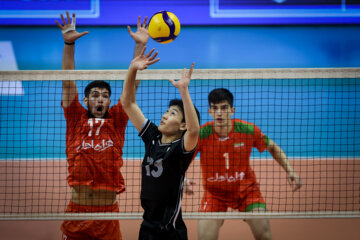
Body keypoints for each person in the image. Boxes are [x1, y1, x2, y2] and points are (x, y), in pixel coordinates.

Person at [56, 11, 150, 240]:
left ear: (110, 101)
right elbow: (68, 80)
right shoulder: (75, 116)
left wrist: (139, 47)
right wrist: (69, 43)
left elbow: (132, 86)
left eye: (105, 95)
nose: (100, 99)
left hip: (107, 216)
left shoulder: (118, 119)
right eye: (95, 95)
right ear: (86, 100)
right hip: (77, 214)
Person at [185, 88, 302, 240]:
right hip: (215, 194)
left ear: (232, 110)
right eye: (215, 108)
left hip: (247, 191)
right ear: (210, 111)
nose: (219, 113)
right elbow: (182, 159)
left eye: (224, 108)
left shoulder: (248, 130)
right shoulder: (201, 135)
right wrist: (183, 179)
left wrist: (290, 170)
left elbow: (272, 146)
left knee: (264, 235)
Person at [120, 46, 200, 240]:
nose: (165, 115)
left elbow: (194, 130)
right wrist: (132, 69)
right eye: (167, 111)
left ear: (182, 126)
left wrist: (183, 91)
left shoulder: (181, 150)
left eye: (173, 114)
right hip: (147, 224)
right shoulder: (153, 137)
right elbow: (128, 103)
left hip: (170, 229)